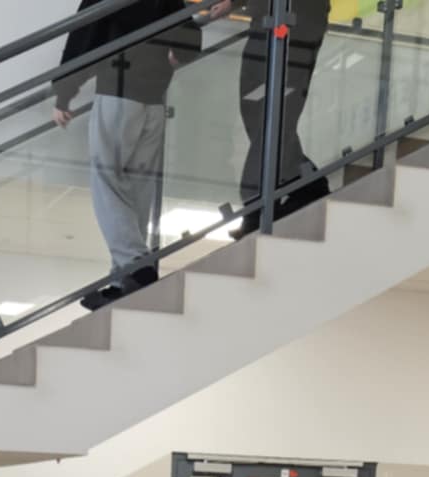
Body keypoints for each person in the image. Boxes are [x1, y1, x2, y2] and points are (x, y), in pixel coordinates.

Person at [53, 0, 216, 309]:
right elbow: (186, 25)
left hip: (119, 91)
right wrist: (182, 53)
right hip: (154, 100)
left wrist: (64, 92)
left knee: (107, 181)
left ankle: (134, 263)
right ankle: (124, 280)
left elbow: (85, 36)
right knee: (138, 190)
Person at [237, 0, 331, 219]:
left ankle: (257, 206)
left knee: (275, 118)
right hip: (268, 21)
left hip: (295, 26)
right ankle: (308, 185)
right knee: (257, 113)